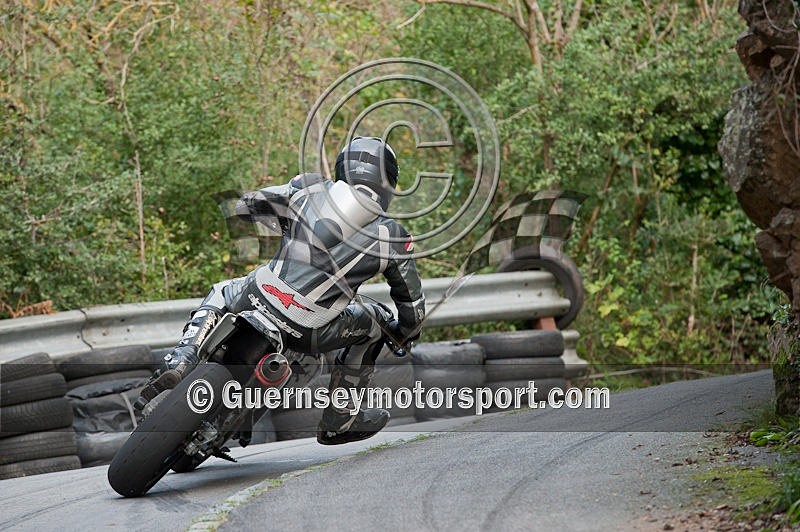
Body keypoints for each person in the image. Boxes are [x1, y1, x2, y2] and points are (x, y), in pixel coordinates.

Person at [136, 137, 425, 445]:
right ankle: (341, 417)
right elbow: (412, 305)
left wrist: (285, 224)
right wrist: (404, 334)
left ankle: (184, 356)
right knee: (375, 326)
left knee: (222, 290)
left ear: (344, 167)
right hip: (310, 329)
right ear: (387, 184)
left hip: (258, 295)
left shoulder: (309, 188)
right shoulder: (393, 237)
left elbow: (244, 206)